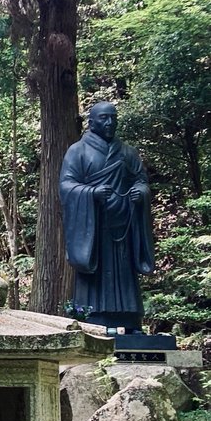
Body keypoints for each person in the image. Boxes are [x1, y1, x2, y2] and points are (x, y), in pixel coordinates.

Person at [59, 101, 153, 332]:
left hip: (123, 224)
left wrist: (140, 193)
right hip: (93, 227)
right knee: (95, 274)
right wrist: (91, 193)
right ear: (91, 123)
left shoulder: (128, 152)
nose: (110, 122)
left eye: (113, 117)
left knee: (124, 274)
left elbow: (141, 181)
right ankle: (95, 320)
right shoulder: (77, 151)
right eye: (104, 118)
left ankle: (130, 319)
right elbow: (66, 185)